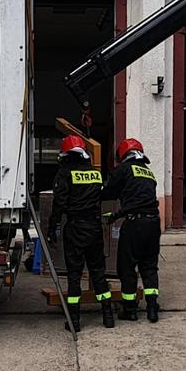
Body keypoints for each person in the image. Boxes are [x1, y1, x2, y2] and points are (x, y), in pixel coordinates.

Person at [52, 135, 113, 331]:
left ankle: (74, 321)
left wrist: (52, 227)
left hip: (76, 228)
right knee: (98, 272)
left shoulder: (65, 173)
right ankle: (108, 316)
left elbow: (59, 203)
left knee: (74, 275)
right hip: (94, 228)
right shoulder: (95, 173)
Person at [103, 137, 162, 323]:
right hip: (153, 224)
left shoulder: (124, 169)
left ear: (122, 154)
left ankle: (130, 309)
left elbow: (109, 191)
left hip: (135, 224)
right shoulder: (147, 171)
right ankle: (152, 308)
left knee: (127, 267)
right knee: (149, 266)